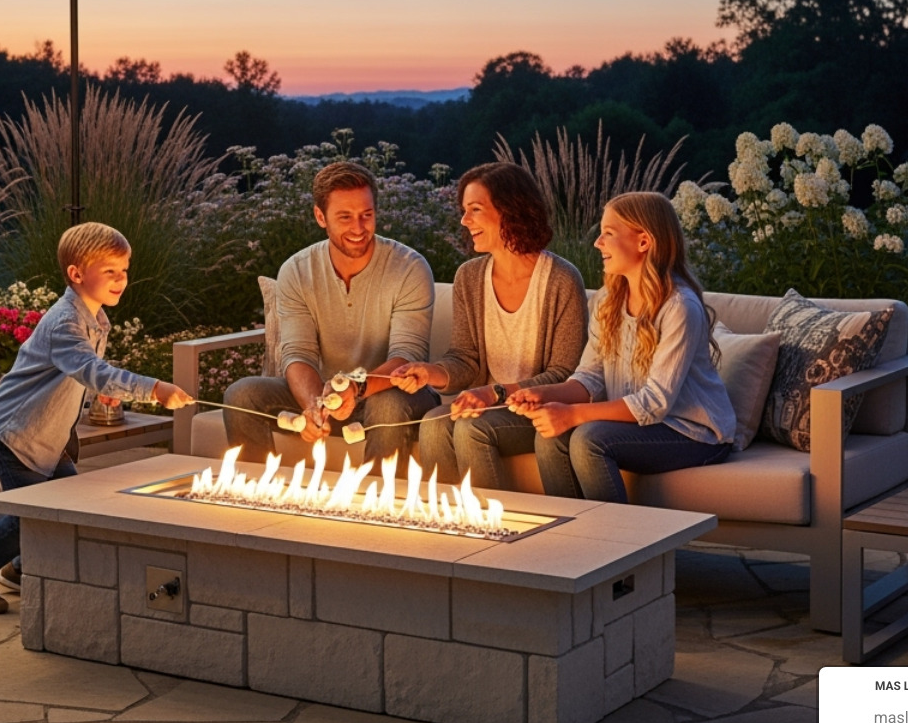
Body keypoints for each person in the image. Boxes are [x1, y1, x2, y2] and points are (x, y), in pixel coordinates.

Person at [0, 222, 194, 614]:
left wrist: (100, 393)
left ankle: (20, 569)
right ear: (76, 274)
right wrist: (153, 388)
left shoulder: (95, 319)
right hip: (16, 433)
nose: (121, 279)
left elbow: (80, 373)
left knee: (70, 506)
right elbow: (92, 370)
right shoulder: (65, 321)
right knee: (30, 515)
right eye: (110, 270)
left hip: (48, 436)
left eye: (124, 270)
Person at [508, 191, 735, 502]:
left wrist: (572, 415)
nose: (597, 243)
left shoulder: (679, 307)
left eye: (608, 233)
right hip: (646, 424)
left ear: (643, 242)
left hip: (693, 432)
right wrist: (545, 394)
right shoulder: (607, 300)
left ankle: (615, 532)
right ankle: (573, 530)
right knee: (550, 437)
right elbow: (590, 377)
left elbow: (654, 402)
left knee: (589, 439)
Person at [223, 162, 440, 466]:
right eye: (345, 217)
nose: (358, 228)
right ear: (320, 216)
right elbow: (298, 354)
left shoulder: (409, 268)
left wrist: (356, 386)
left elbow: (407, 357)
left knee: (388, 404)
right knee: (242, 395)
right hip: (328, 394)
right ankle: (257, 488)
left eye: (367, 215)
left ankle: (377, 495)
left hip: (393, 392)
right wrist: (314, 405)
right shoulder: (297, 271)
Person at [388, 162, 587, 489]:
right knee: (434, 423)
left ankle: (491, 518)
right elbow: (465, 358)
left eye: (475, 210)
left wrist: (494, 393)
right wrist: (430, 373)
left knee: (471, 428)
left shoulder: (561, 280)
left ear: (510, 210)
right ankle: (446, 516)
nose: (465, 221)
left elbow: (564, 373)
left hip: (536, 407)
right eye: (464, 211)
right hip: (488, 404)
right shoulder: (469, 277)